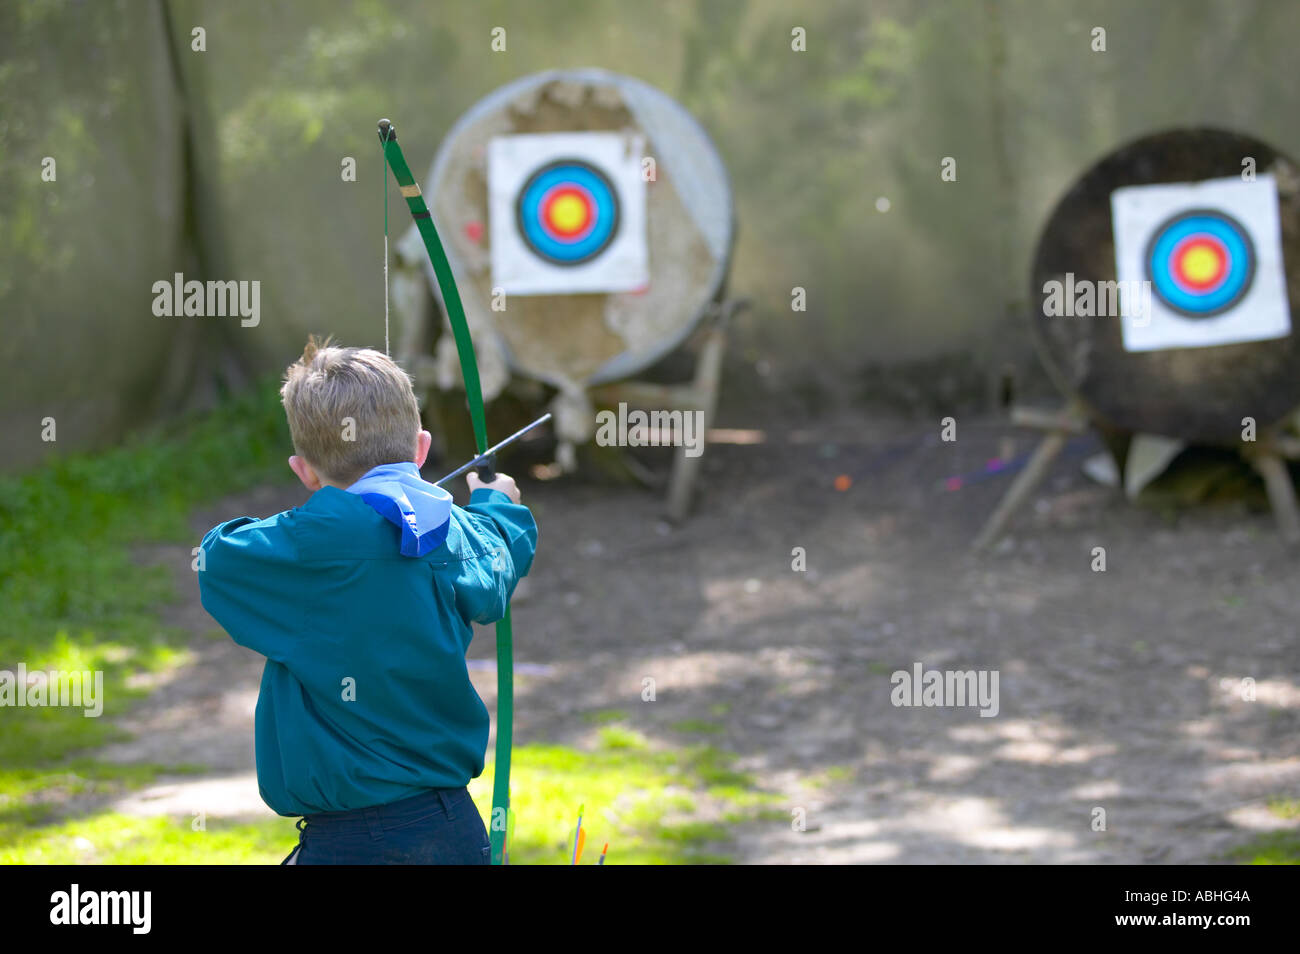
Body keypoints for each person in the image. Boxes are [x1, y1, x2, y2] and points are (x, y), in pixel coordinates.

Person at [198, 335, 537, 864]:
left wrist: (322, 508)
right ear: (421, 449)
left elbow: (217, 557)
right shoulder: (456, 530)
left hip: (354, 843)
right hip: (453, 832)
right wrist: (498, 503)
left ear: (304, 470)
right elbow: (496, 559)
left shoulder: (311, 544)